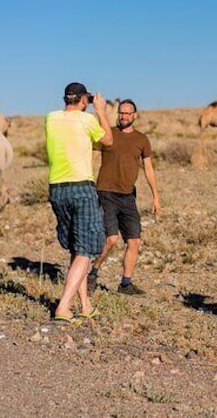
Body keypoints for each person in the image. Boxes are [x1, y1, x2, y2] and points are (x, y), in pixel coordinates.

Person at [45, 82, 112, 321]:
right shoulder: (87, 121)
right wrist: (101, 111)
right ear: (84, 100)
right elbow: (108, 141)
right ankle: (63, 306)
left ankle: (85, 305)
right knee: (86, 250)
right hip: (81, 187)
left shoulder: (51, 118)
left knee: (76, 248)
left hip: (57, 189)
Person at [88, 99, 160, 295]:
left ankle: (125, 284)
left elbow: (148, 168)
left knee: (134, 241)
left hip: (128, 196)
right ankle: (92, 273)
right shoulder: (107, 134)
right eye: (121, 113)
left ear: (135, 115)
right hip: (106, 192)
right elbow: (91, 159)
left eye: (128, 113)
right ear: (118, 114)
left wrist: (156, 196)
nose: (124, 116)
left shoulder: (142, 139)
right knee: (111, 239)